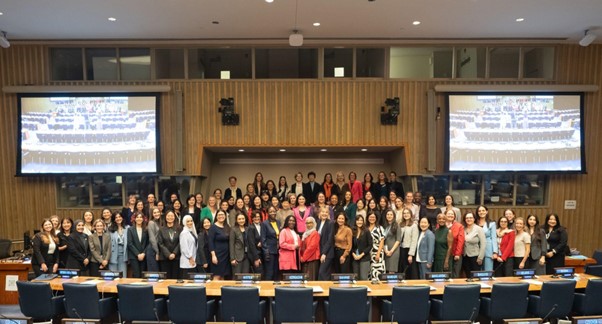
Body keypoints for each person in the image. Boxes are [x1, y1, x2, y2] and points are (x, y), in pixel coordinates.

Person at [157, 210, 181, 279]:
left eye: (172, 216)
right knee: (165, 279)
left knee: (175, 278)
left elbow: (180, 242)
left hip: (176, 257)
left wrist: (174, 253)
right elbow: (160, 243)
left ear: (174, 217)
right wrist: (168, 254)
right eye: (168, 216)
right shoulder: (161, 229)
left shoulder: (179, 228)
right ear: (165, 217)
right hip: (164, 258)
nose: (170, 217)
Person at [209, 210, 232, 280]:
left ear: (225, 216)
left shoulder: (227, 227)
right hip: (217, 255)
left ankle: (221, 291)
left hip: (226, 255)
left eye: (222, 215)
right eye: (219, 215)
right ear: (216, 216)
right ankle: (214, 291)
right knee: (217, 276)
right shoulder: (213, 227)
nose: (221, 216)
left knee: (223, 276)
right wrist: (213, 255)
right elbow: (210, 242)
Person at [462, 212, 486, 276]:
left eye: (470, 218)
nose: (468, 219)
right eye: (467, 218)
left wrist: (480, 257)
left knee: (475, 276)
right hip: (465, 256)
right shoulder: (463, 228)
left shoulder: (479, 229)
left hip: (475, 256)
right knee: (467, 275)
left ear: (474, 219)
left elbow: (483, 244)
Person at [476, 205, 497, 271]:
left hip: (488, 249)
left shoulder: (492, 223)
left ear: (486, 212)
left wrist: (495, 252)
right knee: (478, 270)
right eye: (479, 211)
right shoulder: (475, 223)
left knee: (488, 270)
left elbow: (494, 238)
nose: (481, 212)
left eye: (483, 210)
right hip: (477, 248)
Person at [261, 206, 281, 280]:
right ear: (268, 213)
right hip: (269, 252)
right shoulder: (264, 224)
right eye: (271, 211)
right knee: (269, 273)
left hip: (277, 251)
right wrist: (266, 252)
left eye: (274, 211)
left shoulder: (278, 222)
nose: (273, 213)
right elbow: (263, 239)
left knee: (276, 272)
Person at [127, 212, 149, 278]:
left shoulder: (146, 229)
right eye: (137, 217)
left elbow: (148, 243)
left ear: (143, 219)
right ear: (134, 219)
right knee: (136, 275)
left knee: (143, 275)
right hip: (134, 256)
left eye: (141, 217)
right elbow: (130, 243)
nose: (139, 219)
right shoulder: (130, 229)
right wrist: (138, 254)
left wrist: (143, 253)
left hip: (144, 256)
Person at [399, 208, 419, 278]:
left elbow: (414, 240)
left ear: (411, 215)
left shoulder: (414, 226)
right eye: (404, 213)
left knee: (410, 270)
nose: (406, 215)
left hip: (409, 250)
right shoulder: (401, 225)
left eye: (407, 213)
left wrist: (410, 254)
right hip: (401, 249)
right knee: (402, 268)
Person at [445, 208, 465, 278]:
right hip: (445, 254)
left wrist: (457, 254)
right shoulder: (441, 224)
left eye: (452, 214)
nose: (450, 215)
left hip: (455, 254)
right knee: (446, 275)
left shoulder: (459, 226)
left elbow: (460, 241)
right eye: (448, 214)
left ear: (454, 216)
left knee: (455, 274)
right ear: (445, 215)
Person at [351, 215, 372, 280]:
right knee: (356, 278)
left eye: (361, 220)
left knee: (363, 278)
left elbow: (370, 245)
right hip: (355, 258)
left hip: (364, 258)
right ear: (355, 221)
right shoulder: (352, 231)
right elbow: (350, 245)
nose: (359, 222)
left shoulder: (366, 231)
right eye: (358, 220)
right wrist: (353, 254)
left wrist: (361, 255)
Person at [108, 211, 128, 277]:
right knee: (113, 275)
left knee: (123, 275)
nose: (118, 218)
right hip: (113, 254)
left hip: (123, 254)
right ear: (114, 219)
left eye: (119, 217)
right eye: (116, 217)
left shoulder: (127, 228)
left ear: (122, 218)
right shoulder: (110, 229)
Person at [317, 206, 334, 280]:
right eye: (323, 212)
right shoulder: (318, 222)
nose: (324, 213)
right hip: (319, 251)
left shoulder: (330, 223)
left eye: (326, 212)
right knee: (321, 273)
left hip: (327, 253)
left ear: (328, 214)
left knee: (322, 273)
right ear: (320, 213)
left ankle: (326, 290)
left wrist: (324, 253)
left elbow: (329, 240)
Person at [300, 216, 320, 280]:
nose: (309, 225)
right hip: (306, 259)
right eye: (307, 223)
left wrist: (303, 258)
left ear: (314, 223)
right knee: (306, 278)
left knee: (311, 278)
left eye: (310, 223)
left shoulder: (315, 233)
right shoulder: (305, 234)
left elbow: (312, 247)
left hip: (312, 259)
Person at [367, 211, 385, 279]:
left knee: (376, 272)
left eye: (373, 217)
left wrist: (378, 253)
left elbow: (382, 241)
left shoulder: (380, 228)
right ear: (368, 218)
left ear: (376, 218)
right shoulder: (366, 228)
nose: (372, 218)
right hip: (367, 253)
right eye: (370, 217)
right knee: (368, 272)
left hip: (377, 252)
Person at [383, 209, 402, 273]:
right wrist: (386, 251)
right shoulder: (385, 226)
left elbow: (398, 240)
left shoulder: (397, 226)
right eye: (388, 214)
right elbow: (384, 239)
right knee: (387, 269)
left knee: (392, 270)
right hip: (386, 250)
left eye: (391, 214)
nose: (389, 216)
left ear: (394, 216)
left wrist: (391, 251)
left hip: (394, 251)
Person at [247, 211, 264, 275]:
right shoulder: (251, 228)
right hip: (256, 255)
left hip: (263, 254)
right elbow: (251, 244)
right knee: (259, 274)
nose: (257, 218)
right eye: (255, 217)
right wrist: (256, 258)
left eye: (258, 217)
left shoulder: (262, 226)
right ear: (252, 218)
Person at [146, 207, 162, 272]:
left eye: (158, 212)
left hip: (157, 249)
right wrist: (157, 252)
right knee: (154, 272)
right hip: (153, 250)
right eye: (154, 212)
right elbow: (152, 239)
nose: (156, 214)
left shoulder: (159, 223)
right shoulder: (151, 223)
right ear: (152, 214)